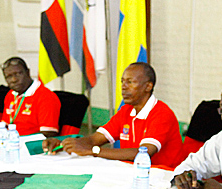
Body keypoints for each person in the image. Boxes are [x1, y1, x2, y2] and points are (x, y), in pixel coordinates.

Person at [43, 62, 183, 170]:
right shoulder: (126, 111)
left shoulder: (161, 114)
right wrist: (64, 144)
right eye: (122, 81)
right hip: (131, 173)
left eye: (130, 82)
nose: (123, 86)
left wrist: (92, 151)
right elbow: (94, 139)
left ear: (148, 86)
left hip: (163, 177)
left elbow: (141, 154)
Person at [0, 57, 60, 137]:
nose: (14, 80)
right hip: (11, 142)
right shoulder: (11, 95)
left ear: (28, 72)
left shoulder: (45, 96)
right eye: (9, 76)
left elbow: (48, 133)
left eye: (18, 74)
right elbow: (5, 125)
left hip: (30, 145)